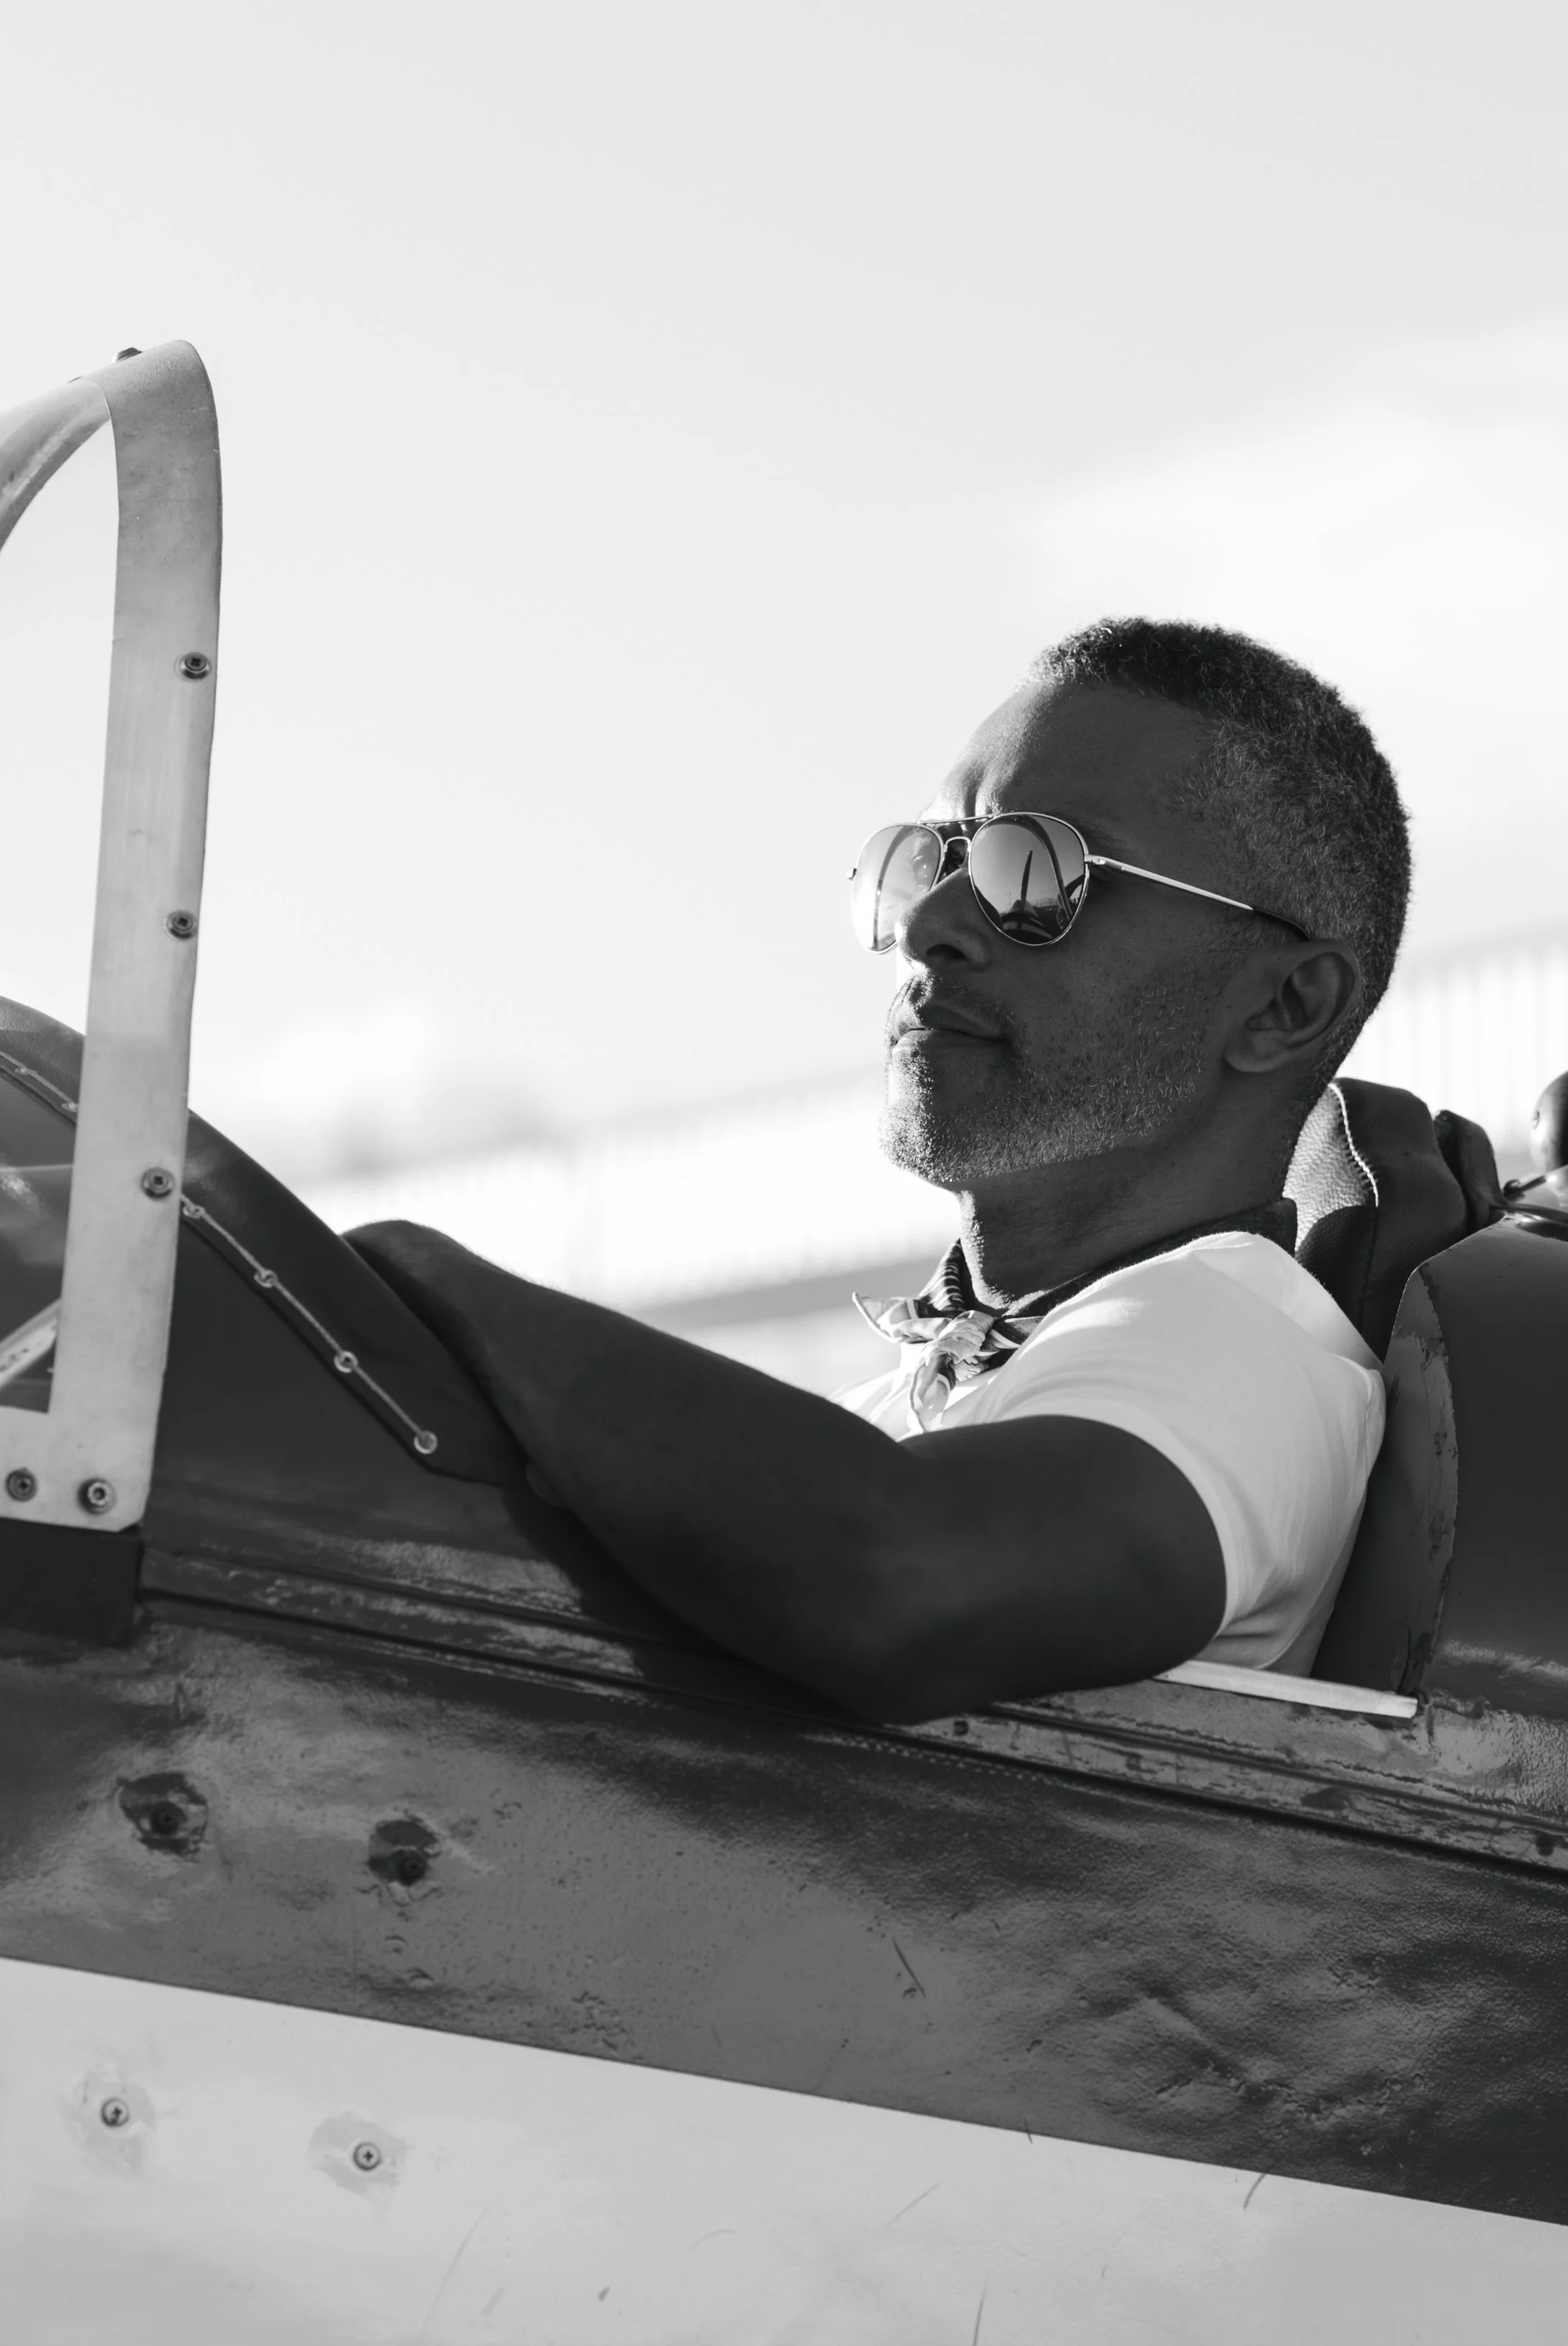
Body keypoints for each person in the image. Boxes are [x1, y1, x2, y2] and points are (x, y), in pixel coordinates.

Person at [354, 618, 1406, 1723]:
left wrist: (410, 1277)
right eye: (929, 858)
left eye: (1036, 872)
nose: (930, 924)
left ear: (1288, 1004)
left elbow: (901, 1580)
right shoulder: (901, 1413)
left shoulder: (1237, 1342)